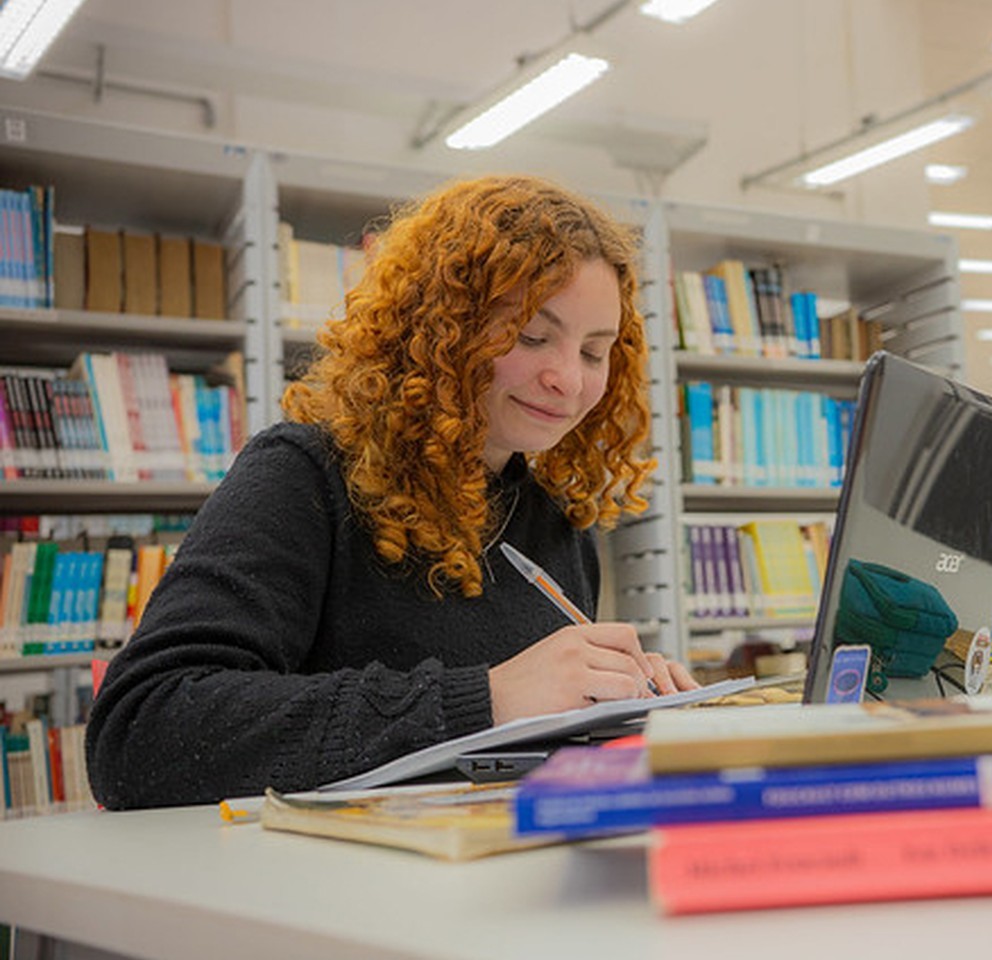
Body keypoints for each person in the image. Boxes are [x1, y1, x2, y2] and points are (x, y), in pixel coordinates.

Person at [86, 175, 698, 810]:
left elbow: (511, 763)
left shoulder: (554, 522)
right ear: (443, 327)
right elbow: (140, 732)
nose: (567, 380)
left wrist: (615, 712)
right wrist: (487, 698)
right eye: (530, 337)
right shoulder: (304, 475)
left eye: (596, 352)